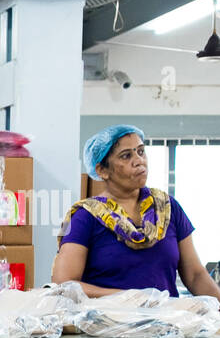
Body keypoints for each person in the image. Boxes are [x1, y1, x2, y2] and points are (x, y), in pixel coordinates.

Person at [54, 125, 220, 298]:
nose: (139, 161)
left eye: (141, 152)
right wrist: (131, 299)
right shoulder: (83, 216)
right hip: (109, 323)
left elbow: (195, 276)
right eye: (126, 156)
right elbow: (65, 284)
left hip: (166, 322)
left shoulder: (168, 208)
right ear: (102, 170)